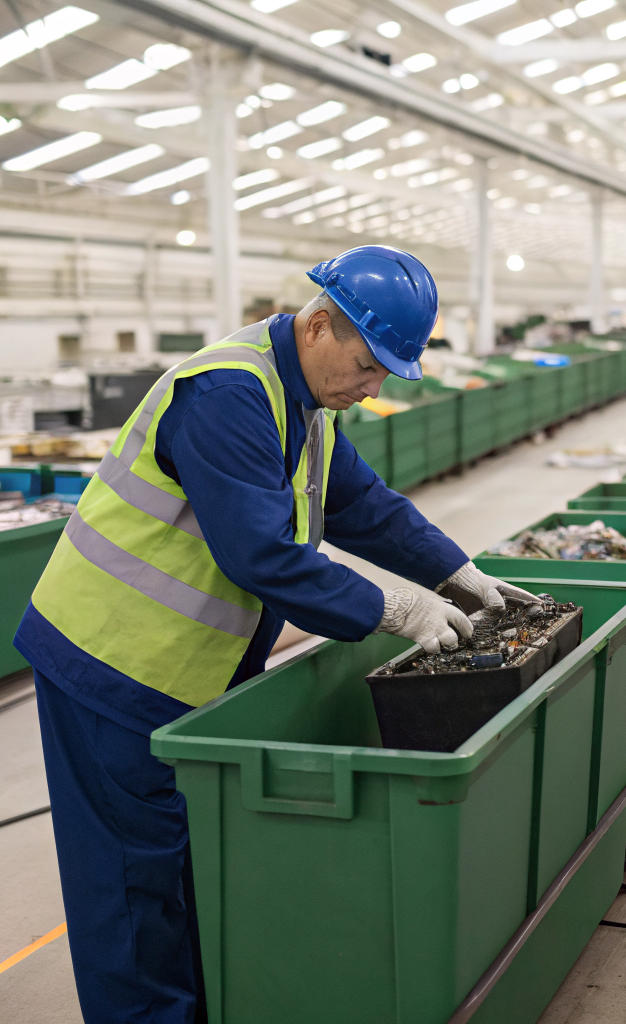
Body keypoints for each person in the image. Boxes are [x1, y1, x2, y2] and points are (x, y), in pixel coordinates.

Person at [17, 245, 540, 1024]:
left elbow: (364, 505)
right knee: (131, 887)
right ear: (321, 325)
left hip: (187, 669)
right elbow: (260, 554)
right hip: (113, 666)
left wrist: (458, 573)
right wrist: (396, 612)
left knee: (186, 868)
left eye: (383, 379)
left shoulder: (303, 401)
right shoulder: (229, 394)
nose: (368, 392)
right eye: (367, 368)